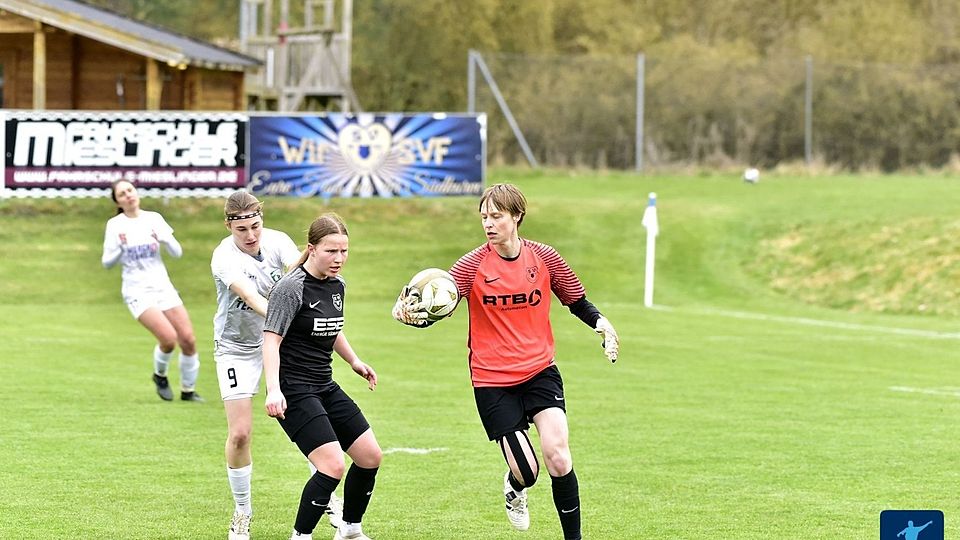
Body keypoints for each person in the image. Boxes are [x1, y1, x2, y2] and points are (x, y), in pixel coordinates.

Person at [392, 183, 620, 540]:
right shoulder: (471, 266)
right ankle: (515, 488)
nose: (488, 223)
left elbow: (576, 300)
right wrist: (405, 311)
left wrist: (602, 324)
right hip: (492, 381)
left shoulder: (545, 258)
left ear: (517, 217)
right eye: (484, 217)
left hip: (540, 370)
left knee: (558, 455)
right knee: (528, 472)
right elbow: (437, 299)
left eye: (496, 216)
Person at [211, 190, 342, 540]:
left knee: (305, 419)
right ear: (229, 226)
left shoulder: (278, 241)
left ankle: (327, 495)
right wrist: (292, 317)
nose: (251, 236)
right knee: (240, 433)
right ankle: (242, 511)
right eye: (242, 230)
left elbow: (302, 271)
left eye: (255, 226)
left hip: (279, 345)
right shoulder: (224, 257)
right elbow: (252, 298)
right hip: (236, 348)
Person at [263, 213, 383, 540]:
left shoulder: (337, 285)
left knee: (370, 456)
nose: (339, 259)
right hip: (294, 390)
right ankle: (300, 536)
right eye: (331, 251)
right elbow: (271, 340)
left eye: (344, 251)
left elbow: (333, 329)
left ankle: (350, 531)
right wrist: (274, 390)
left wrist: (355, 361)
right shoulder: (291, 288)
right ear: (312, 248)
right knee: (332, 465)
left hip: (324, 384)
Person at [101, 179, 203, 402]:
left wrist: (165, 238)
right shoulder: (115, 225)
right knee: (168, 339)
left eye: (130, 190)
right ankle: (160, 376)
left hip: (162, 286)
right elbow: (107, 263)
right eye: (122, 194)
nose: (128, 195)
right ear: (117, 201)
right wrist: (120, 248)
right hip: (137, 291)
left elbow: (177, 253)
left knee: (188, 339)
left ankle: (188, 391)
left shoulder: (153, 219)